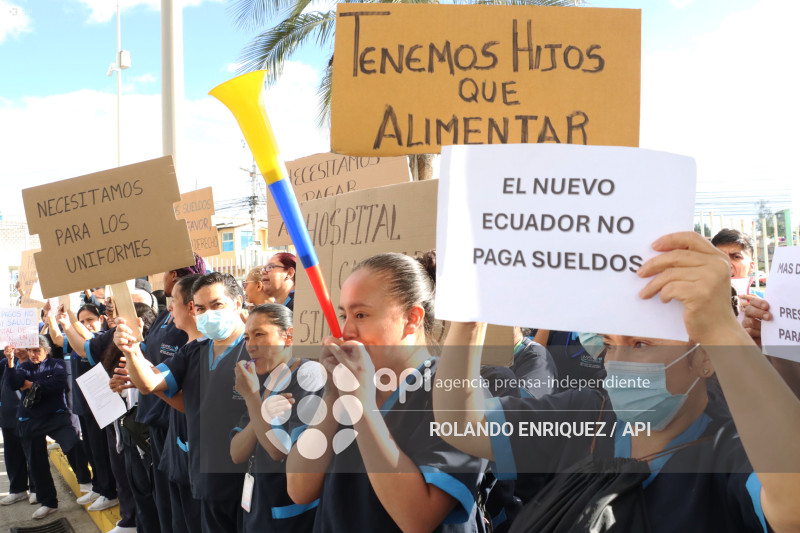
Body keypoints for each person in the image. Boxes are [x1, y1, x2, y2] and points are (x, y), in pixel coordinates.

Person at [434, 232, 800, 532]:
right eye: (610, 344)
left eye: (642, 344)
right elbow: (462, 425)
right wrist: (468, 321)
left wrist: (723, 329)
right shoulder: (584, 415)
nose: (619, 363)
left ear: (706, 356)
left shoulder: (734, 449)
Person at [286, 252, 487, 532]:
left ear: (411, 318)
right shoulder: (345, 388)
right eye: (344, 315)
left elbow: (417, 518)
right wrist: (333, 395)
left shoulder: (455, 392)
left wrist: (362, 405)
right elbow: (299, 488)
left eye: (361, 315)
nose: (346, 330)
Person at [116, 272, 250, 533]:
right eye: (200, 308)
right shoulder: (195, 350)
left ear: (237, 303)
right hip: (205, 477)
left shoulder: (255, 350)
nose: (207, 313)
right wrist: (131, 351)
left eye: (216, 305)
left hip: (244, 482)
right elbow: (148, 383)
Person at [230, 304, 321, 532]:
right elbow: (236, 452)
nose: (251, 346)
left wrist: (252, 399)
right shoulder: (264, 380)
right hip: (260, 506)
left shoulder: (308, 377)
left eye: (260, 334)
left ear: (288, 336)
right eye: (247, 337)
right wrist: (261, 411)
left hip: (290, 515)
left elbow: (278, 449)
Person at [50, 303, 118, 509]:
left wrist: (71, 319)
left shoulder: (104, 338)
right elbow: (57, 339)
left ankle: (109, 491)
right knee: (91, 450)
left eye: (91, 319)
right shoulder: (75, 339)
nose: (87, 324)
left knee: (102, 451)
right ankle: (98, 487)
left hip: (101, 405)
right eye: (83, 320)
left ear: (101, 320)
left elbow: (90, 341)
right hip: (83, 403)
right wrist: (53, 318)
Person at [6, 336, 80, 520]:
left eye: (36, 350)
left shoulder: (57, 364)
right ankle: (48, 502)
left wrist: (33, 385)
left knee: (73, 444)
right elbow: (14, 383)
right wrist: (10, 362)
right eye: (30, 350)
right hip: (29, 419)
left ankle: (86, 481)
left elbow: (58, 385)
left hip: (55, 416)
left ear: (46, 350)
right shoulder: (23, 366)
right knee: (36, 462)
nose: (32, 354)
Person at [0, 345, 35, 506]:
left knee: (32, 453)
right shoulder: (4, 363)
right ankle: (18, 489)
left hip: (28, 415)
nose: (18, 349)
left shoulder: (36, 365)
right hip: (7, 415)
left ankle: (36, 489)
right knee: (12, 454)